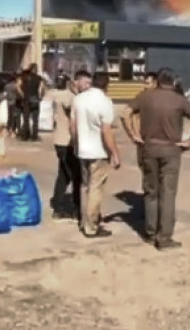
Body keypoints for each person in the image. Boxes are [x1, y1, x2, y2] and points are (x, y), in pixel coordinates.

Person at [125, 68, 190, 250]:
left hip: (149, 148)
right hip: (171, 150)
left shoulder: (146, 97)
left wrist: (133, 135)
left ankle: (150, 232)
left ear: (158, 80)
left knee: (151, 192)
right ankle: (165, 238)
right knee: (168, 194)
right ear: (174, 81)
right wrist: (189, 142)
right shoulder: (180, 100)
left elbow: (125, 113)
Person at [71, 71, 120, 238]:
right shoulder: (105, 101)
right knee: (95, 189)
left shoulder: (78, 99)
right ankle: (92, 226)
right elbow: (106, 131)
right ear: (107, 85)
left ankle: (84, 220)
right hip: (98, 151)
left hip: (82, 150)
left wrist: (76, 145)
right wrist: (114, 153)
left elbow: (73, 126)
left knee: (84, 187)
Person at [48, 74, 80, 221]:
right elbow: (72, 114)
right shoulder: (70, 97)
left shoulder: (60, 95)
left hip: (60, 140)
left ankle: (58, 205)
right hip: (67, 141)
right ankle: (76, 208)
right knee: (76, 176)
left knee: (64, 175)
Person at [21, 64, 46, 141]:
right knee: (35, 119)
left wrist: (22, 95)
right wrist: (41, 96)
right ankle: (34, 136)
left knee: (26, 119)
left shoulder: (24, 77)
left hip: (26, 100)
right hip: (35, 99)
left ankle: (25, 136)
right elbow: (42, 87)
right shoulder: (39, 78)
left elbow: (17, 86)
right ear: (35, 70)